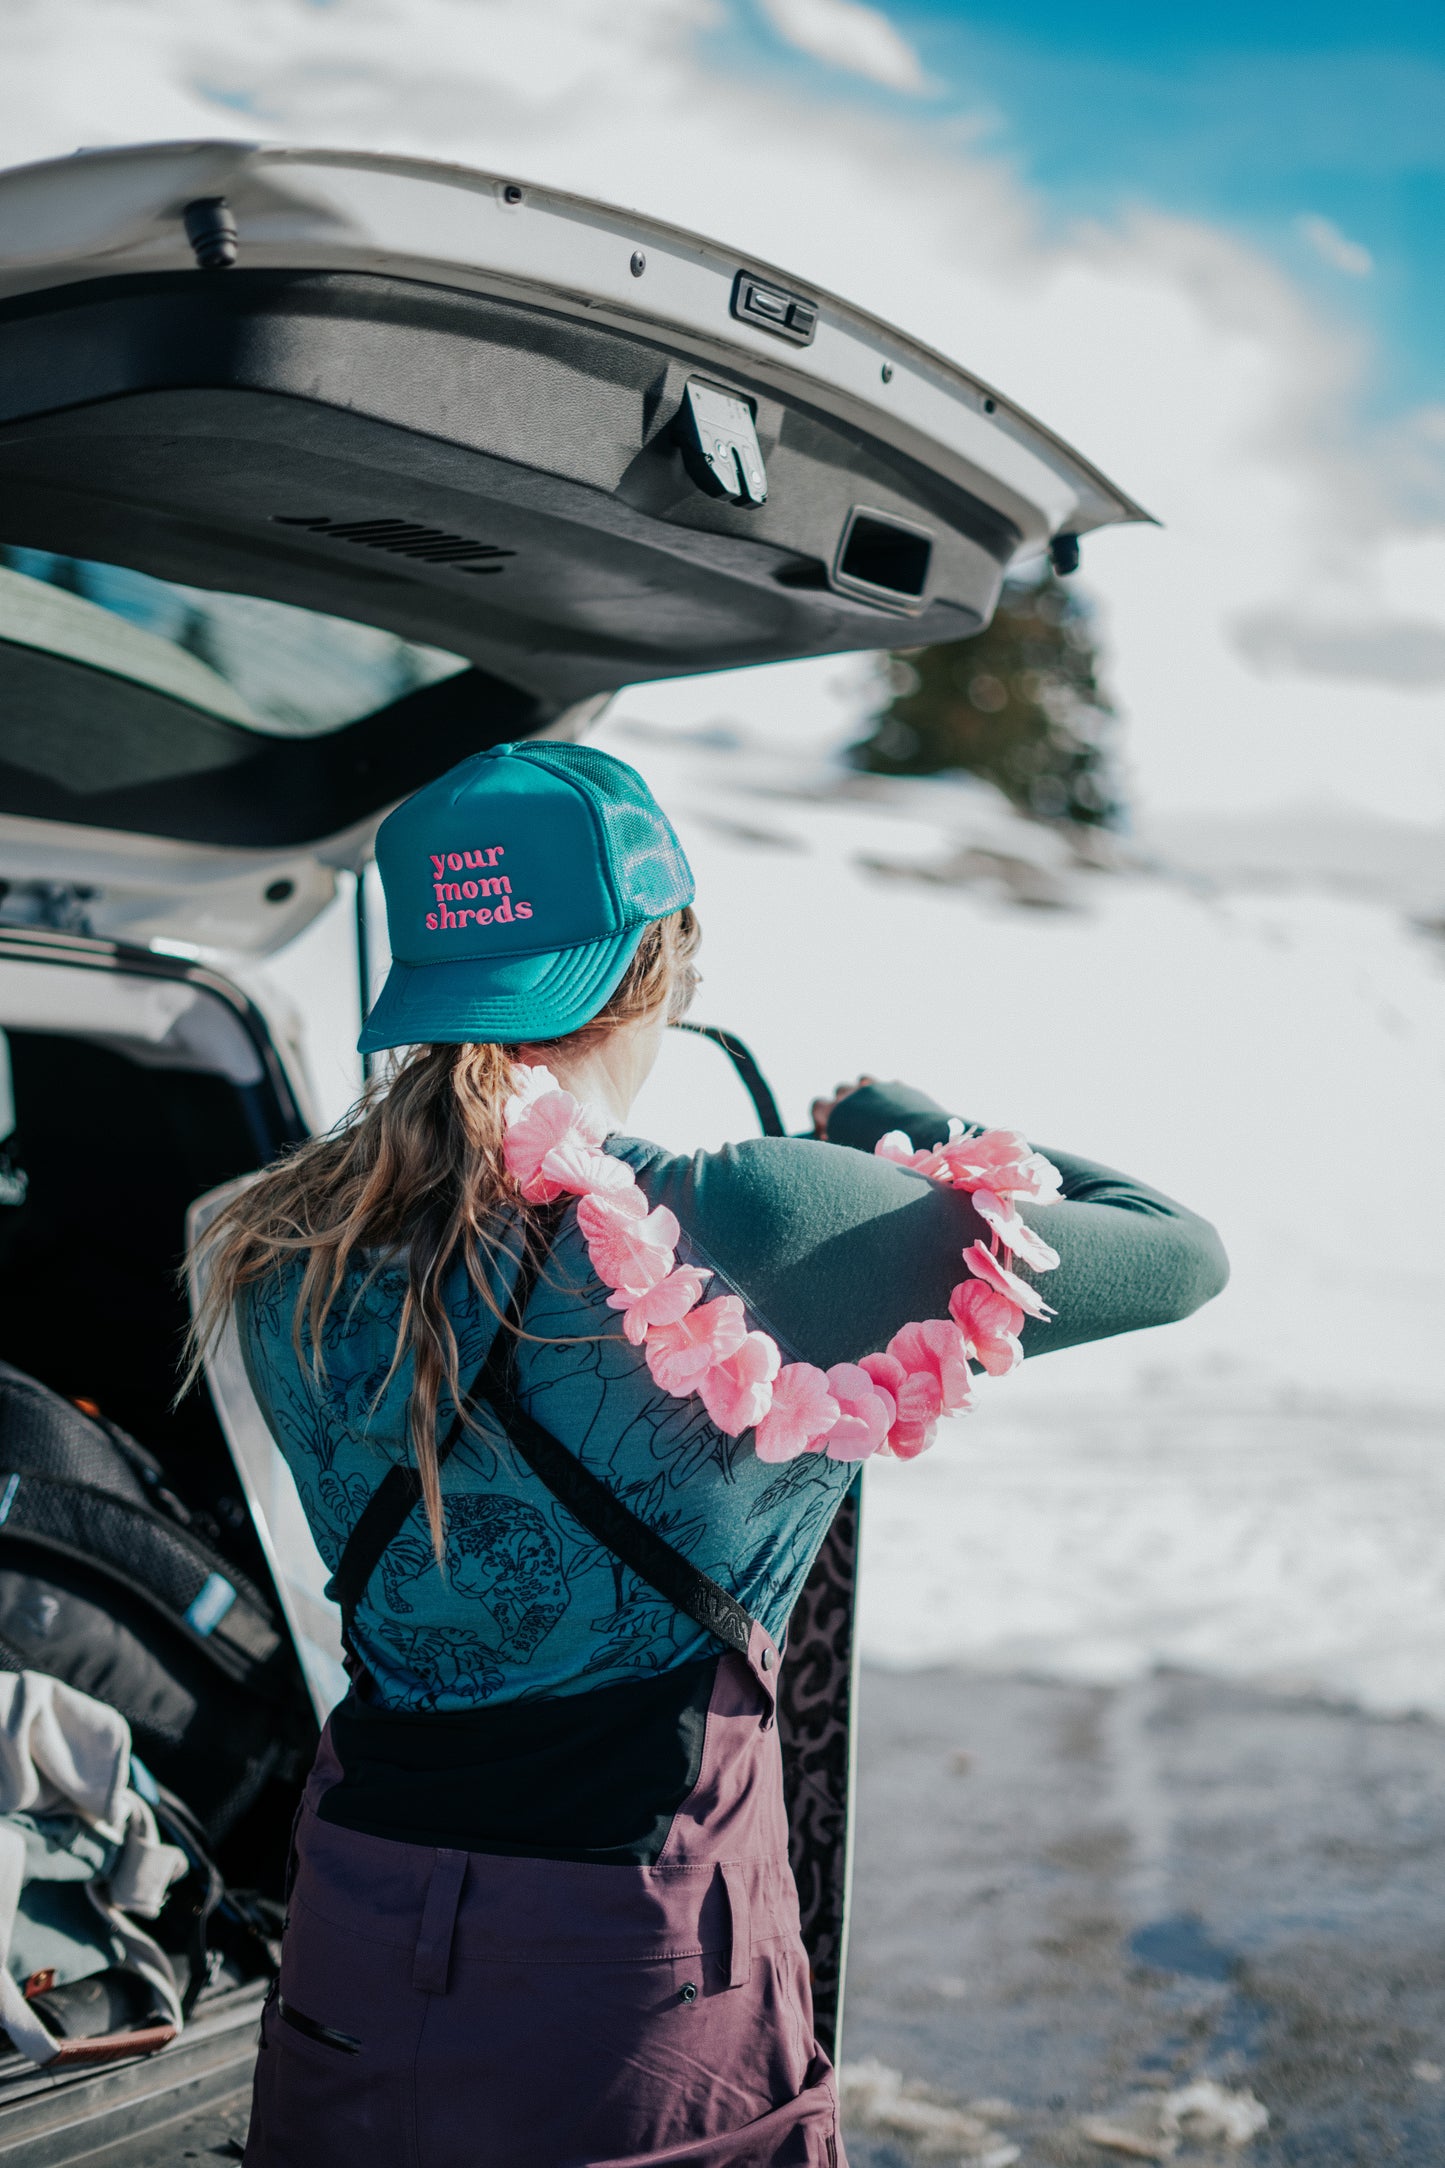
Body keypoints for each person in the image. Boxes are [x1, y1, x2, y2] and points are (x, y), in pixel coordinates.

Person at [194, 739, 1227, 2168]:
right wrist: (900, 1126)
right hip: (629, 1984)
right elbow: (1175, 1255)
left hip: (355, 1935)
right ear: (654, 971)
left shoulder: (274, 1249)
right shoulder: (749, 1225)